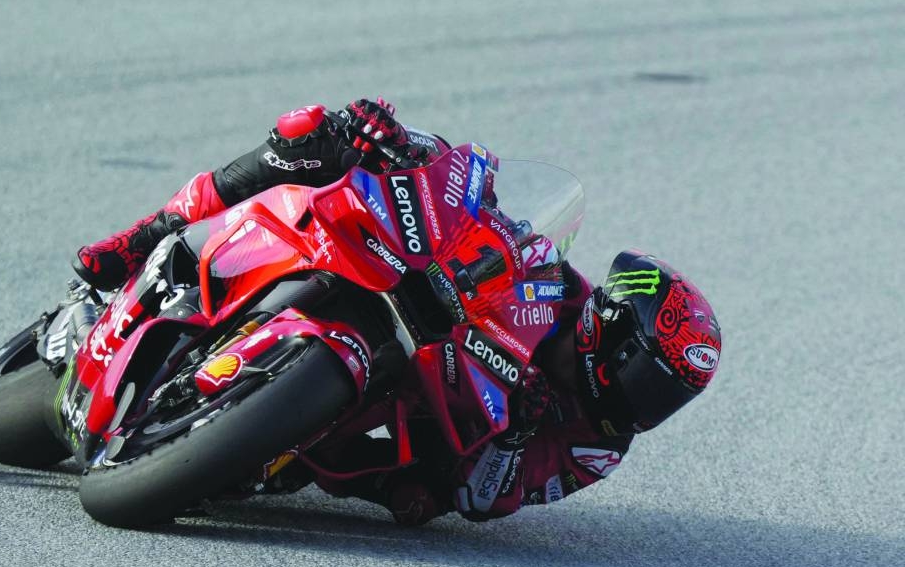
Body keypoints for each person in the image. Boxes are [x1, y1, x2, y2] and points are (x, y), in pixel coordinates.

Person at [74, 98, 723, 525]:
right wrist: (406, 148)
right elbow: (484, 208)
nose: (647, 407)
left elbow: (487, 498)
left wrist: (518, 429)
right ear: (608, 331)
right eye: (650, 381)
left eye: (667, 397)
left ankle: (252, 440)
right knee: (313, 137)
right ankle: (141, 236)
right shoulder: (558, 284)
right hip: (414, 308)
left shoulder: (599, 446)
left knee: (417, 502)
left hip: (428, 427)